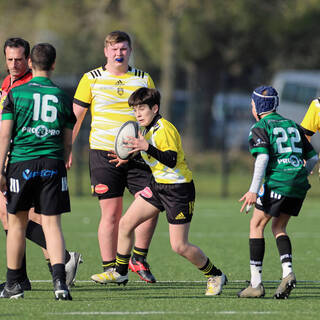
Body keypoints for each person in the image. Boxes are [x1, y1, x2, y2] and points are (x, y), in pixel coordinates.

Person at [96, 87, 227, 296]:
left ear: (155, 108)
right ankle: (120, 271)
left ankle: (215, 275)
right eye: (135, 109)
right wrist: (128, 156)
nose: (137, 113)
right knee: (125, 223)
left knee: (179, 246)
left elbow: (171, 159)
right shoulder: (145, 130)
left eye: (142, 109)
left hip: (178, 190)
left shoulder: (163, 129)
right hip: (157, 186)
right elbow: (151, 156)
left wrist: (145, 147)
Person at [71, 31, 158, 284]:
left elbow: (153, 116)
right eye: (114, 49)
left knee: (150, 207)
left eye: (123, 49)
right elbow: (75, 118)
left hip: (138, 154)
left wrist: (145, 147)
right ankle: (111, 268)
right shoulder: (91, 79)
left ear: (130, 50)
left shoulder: (142, 78)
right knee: (111, 213)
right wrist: (67, 150)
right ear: (106, 51)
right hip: (103, 153)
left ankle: (138, 258)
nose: (118, 53)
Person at [0, 37, 82, 291]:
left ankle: (28, 275)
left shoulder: (23, 88)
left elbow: (7, 131)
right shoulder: (9, 84)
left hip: (20, 159)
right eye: (9, 59)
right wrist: (65, 151)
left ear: (30, 62)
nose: (14, 64)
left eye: (19, 60)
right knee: (29, 219)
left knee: (14, 218)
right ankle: (37, 275)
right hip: (43, 161)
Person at [238, 86, 318, 299]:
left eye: (253, 104)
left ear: (258, 107)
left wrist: (253, 190)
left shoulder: (260, 126)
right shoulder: (292, 124)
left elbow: (262, 158)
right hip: (298, 184)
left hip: (278, 182)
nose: (252, 107)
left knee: (256, 225)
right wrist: (300, 173)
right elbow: (313, 158)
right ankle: (287, 273)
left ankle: (256, 284)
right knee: (279, 226)